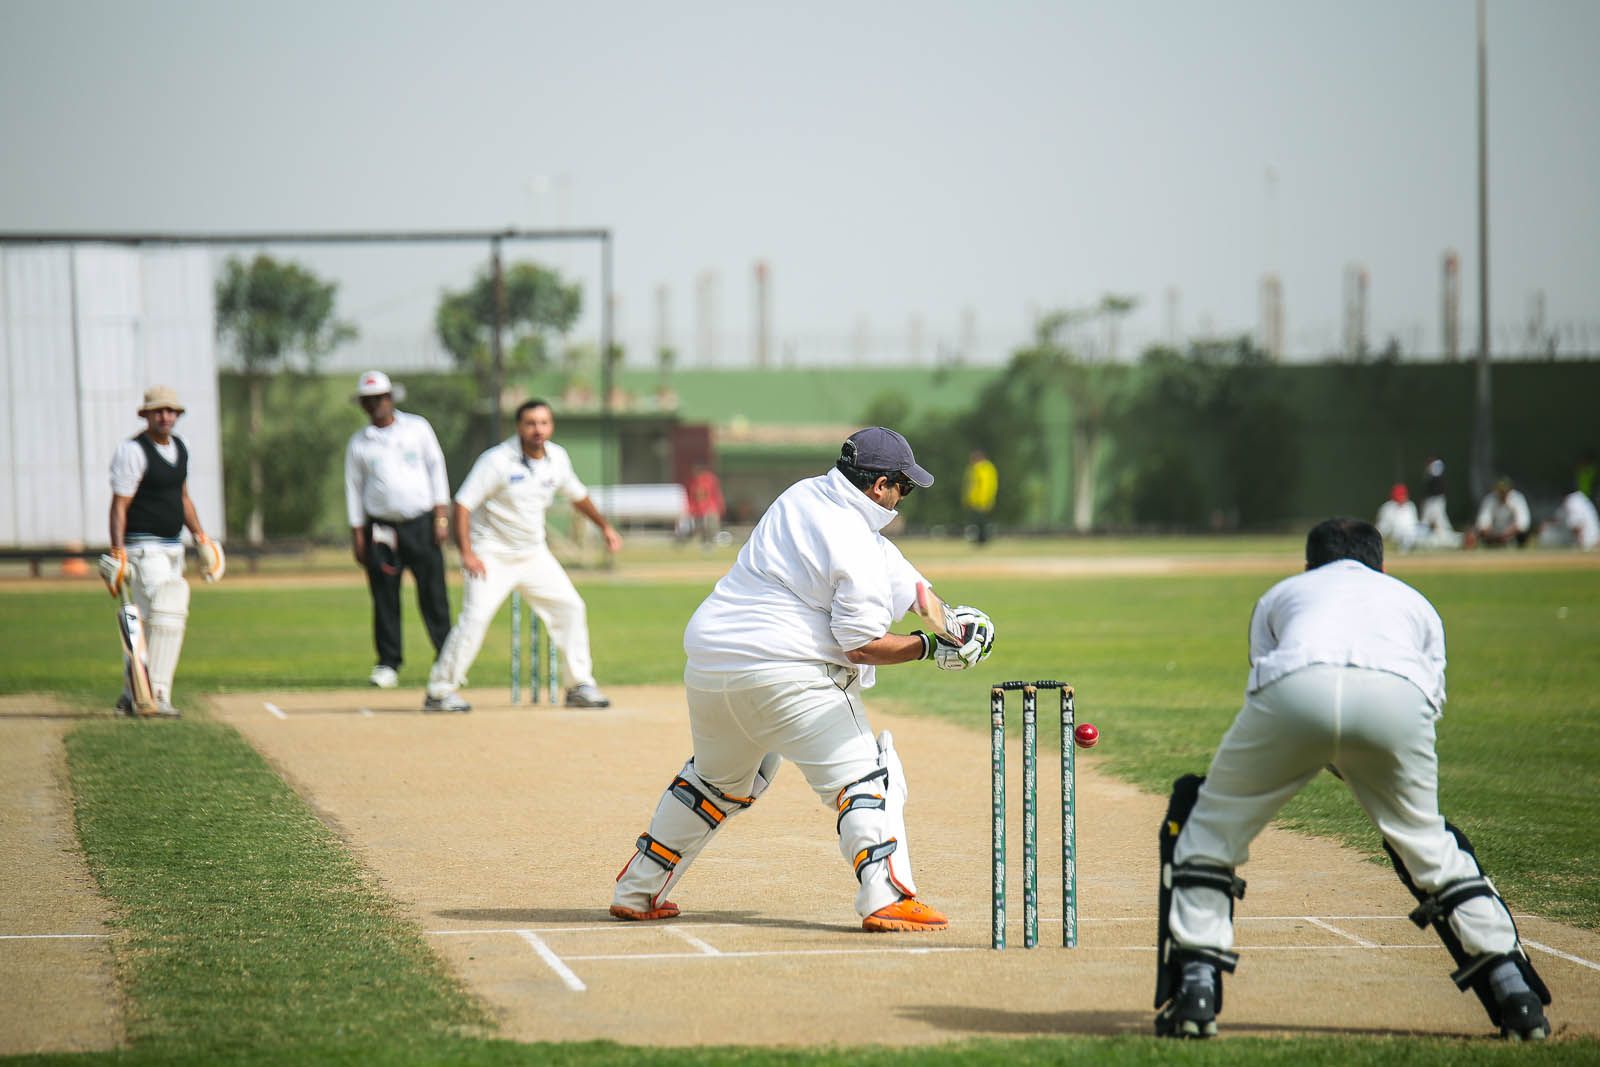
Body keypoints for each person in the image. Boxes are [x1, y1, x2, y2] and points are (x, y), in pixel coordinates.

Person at [1153, 518, 1551, 1041]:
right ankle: (1515, 995)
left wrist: (1310, 752)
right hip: (1397, 698)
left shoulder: (1282, 594)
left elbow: (1267, 680)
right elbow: (1428, 699)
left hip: (1297, 687)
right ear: (1381, 566)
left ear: (1308, 566)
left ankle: (1196, 994)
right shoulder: (1414, 602)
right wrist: (1367, 768)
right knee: (1429, 847)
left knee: (1208, 831)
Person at [609, 427, 995, 932]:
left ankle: (638, 890)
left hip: (711, 667)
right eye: (903, 486)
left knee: (716, 784)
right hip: (789, 672)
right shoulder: (854, 541)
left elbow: (914, 589)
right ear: (879, 486)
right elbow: (860, 644)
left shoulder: (805, 494)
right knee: (870, 776)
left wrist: (955, 626)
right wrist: (929, 647)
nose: (904, 497)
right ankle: (886, 896)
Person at [424, 399, 622, 712]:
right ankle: (439, 691)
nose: (537, 430)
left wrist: (605, 527)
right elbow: (462, 504)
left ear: (551, 426)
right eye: (530, 423)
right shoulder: (497, 461)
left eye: (543, 423)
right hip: (491, 555)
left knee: (571, 608)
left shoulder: (557, 458)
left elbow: (578, 496)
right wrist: (467, 553)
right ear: (519, 427)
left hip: (533, 554)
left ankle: (579, 685)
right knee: (474, 619)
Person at [98, 386, 225, 717]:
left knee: (145, 621)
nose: (165, 417)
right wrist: (117, 549)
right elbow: (119, 504)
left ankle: (131, 695)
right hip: (143, 548)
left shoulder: (180, 448)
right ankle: (157, 693)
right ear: (146, 415)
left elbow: (183, 497)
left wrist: (200, 536)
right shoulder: (133, 451)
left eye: (170, 411)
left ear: (177, 415)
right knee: (168, 611)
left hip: (172, 547)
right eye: (158, 411)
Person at [344, 370, 453, 688]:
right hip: (381, 529)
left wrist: (441, 516)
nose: (376, 404)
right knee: (384, 596)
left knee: (433, 594)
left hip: (421, 523)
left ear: (391, 398)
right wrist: (358, 534)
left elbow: (436, 468)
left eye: (381, 398)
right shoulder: (360, 443)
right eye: (369, 400)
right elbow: (353, 489)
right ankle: (388, 663)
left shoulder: (417, 428)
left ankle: (447, 658)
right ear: (363, 405)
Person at [1415, 457, 1462, 549]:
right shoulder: (1434, 471)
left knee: (1440, 526)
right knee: (1432, 525)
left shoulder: (1436, 468)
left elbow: (1436, 485)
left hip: (1436, 501)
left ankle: (1459, 540)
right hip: (1433, 500)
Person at [1473, 477, 1532, 548]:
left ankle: (1517, 547)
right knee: (1478, 534)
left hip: (1512, 535)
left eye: (1505, 491)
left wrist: (1507, 534)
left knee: (1523, 534)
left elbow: (1523, 523)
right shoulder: (1489, 500)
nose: (1503, 493)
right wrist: (1493, 535)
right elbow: (1482, 523)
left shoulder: (1517, 499)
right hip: (1493, 535)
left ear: (1510, 490)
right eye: (1500, 491)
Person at [1541, 485, 1600, 550]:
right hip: (1593, 538)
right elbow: (1559, 517)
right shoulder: (1580, 498)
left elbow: (1577, 524)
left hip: (1586, 542)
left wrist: (1580, 544)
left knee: (1546, 536)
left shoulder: (1572, 501)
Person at [962, 449, 999, 545]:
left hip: (980, 501)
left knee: (981, 521)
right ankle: (980, 539)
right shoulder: (979, 468)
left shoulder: (982, 468)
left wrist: (984, 500)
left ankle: (982, 539)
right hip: (978, 500)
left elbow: (985, 486)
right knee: (978, 521)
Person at [683, 462, 725, 547]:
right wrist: (691, 509)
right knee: (700, 527)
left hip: (710, 507)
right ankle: (704, 542)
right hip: (698, 510)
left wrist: (719, 506)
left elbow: (714, 494)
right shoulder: (693, 481)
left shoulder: (709, 479)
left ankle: (711, 542)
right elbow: (692, 496)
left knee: (711, 525)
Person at [1374, 483, 1419, 552]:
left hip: (1413, 534)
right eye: (1400, 496)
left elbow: (1414, 525)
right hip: (1396, 535)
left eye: (1403, 495)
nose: (1402, 498)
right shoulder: (1388, 508)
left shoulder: (1410, 506)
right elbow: (1382, 527)